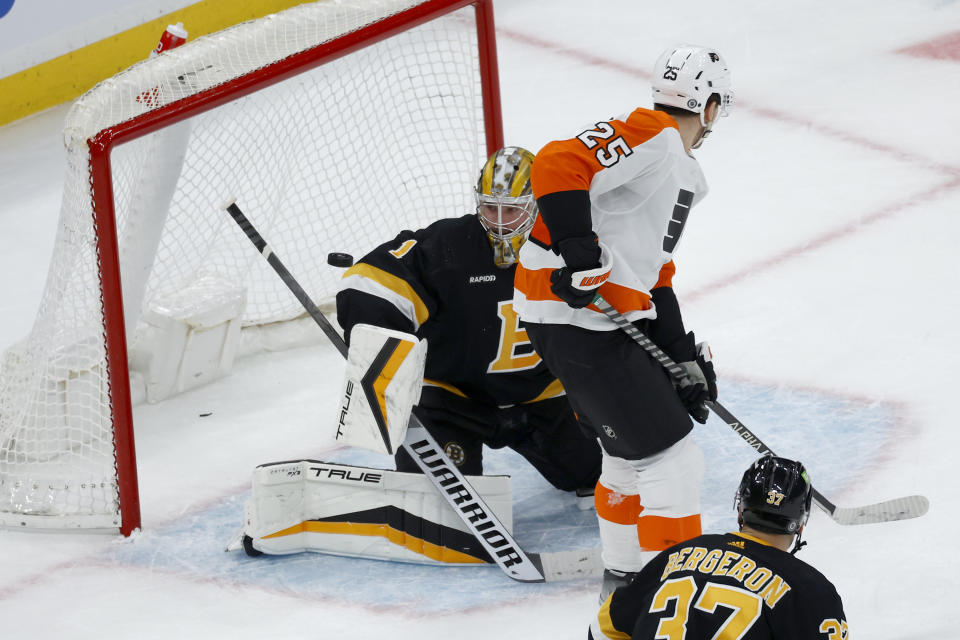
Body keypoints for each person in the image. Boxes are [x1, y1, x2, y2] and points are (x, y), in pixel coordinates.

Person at [512, 44, 734, 599]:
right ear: (707, 107)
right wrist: (575, 245)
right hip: (576, 316)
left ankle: (626, 581)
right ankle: (672, 599)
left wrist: (680, 353)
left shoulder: (681, 172)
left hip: (588, 321)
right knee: (672, 462)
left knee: (627, 456)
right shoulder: (652, 135)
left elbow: (653, 272)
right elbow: (556, 163)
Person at [336, 146, 601, 498]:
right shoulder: (450, 245)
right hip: (452, 400)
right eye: (491, 207)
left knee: (592, 476)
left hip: (541, 396)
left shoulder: (571, 248)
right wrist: (376, 336)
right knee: (439, 500)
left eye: (512, 209)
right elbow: (370, 279)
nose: (500, 221)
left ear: (539, 203)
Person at [588, 456, 850, 639]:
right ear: (801, 523)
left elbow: (603, 630)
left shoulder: (677, 556)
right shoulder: (810, 590)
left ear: (740, 510)